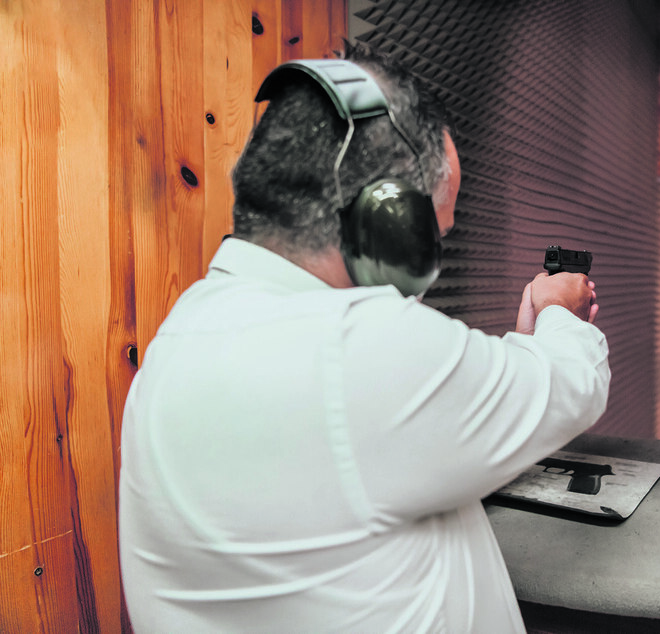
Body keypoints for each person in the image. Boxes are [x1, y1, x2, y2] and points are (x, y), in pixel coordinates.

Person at [118, 43, 610, 633]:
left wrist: (523, 340)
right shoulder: (353, 344)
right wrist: (558, 310)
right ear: (387, 220)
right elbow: (569, 386)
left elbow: (389, 431)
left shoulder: (185, 333)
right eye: (435, 232)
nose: (434, 257)